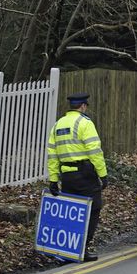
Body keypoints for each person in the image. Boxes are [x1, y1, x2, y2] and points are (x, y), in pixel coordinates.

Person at [47, 92, 108, 262]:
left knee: (71, 213)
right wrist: (103, 175)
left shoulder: (57, 125)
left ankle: (67, 250)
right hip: (85, 174)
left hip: (66, 176)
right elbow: (95, 151)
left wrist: (53, 179)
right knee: (94, 208)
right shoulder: (84, 122)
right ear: (82, 106)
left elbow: (52, 155)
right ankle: (82, 248)